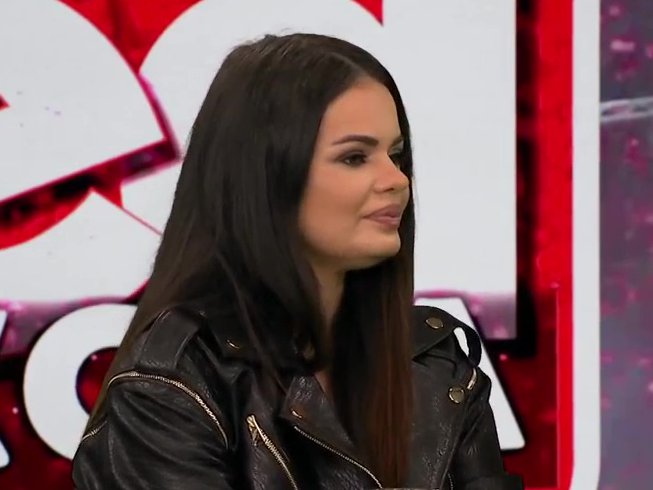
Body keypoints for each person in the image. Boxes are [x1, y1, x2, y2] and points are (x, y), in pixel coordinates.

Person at [72, 33, 522, 489]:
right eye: (355, 157)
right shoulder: (172, 385)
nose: (396, 179)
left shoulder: (436, 365)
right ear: (265, 176)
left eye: (396, 155)